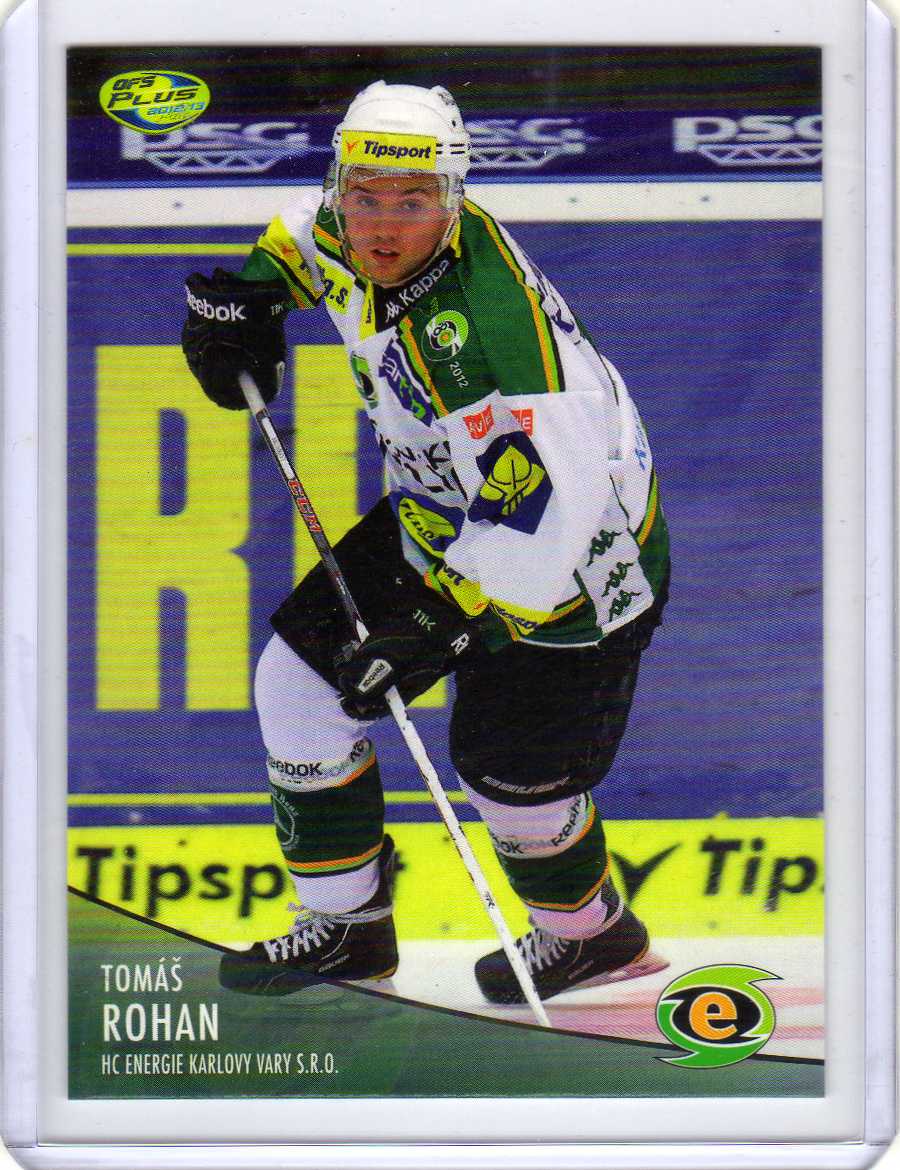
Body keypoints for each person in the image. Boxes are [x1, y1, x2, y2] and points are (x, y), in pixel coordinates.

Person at [181, 80, 670, 1003]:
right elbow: (295, 245)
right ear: (338, 186)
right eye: (364, 195)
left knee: (509, 780)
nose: (383, 226)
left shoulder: (494, 331)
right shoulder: (341, 227)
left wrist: (438, 626)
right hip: (443, 513)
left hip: (579, 565)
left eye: (413, 202)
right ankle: (349, 930)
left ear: (454, 200)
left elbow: (546, 513)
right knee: (299, 683)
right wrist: (248, 308)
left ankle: (594, 937)